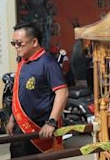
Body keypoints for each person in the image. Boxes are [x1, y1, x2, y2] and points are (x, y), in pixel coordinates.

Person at [7, 22, 69, 157]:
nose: (16, 47)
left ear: (34, 42)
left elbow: (62, 93)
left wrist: (51, 122)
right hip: (20, 127)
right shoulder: (22, 61)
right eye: (14, 43)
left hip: (40, 129)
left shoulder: (48, 63)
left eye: (19, 43)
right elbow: (19, 92)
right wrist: (13, 118)